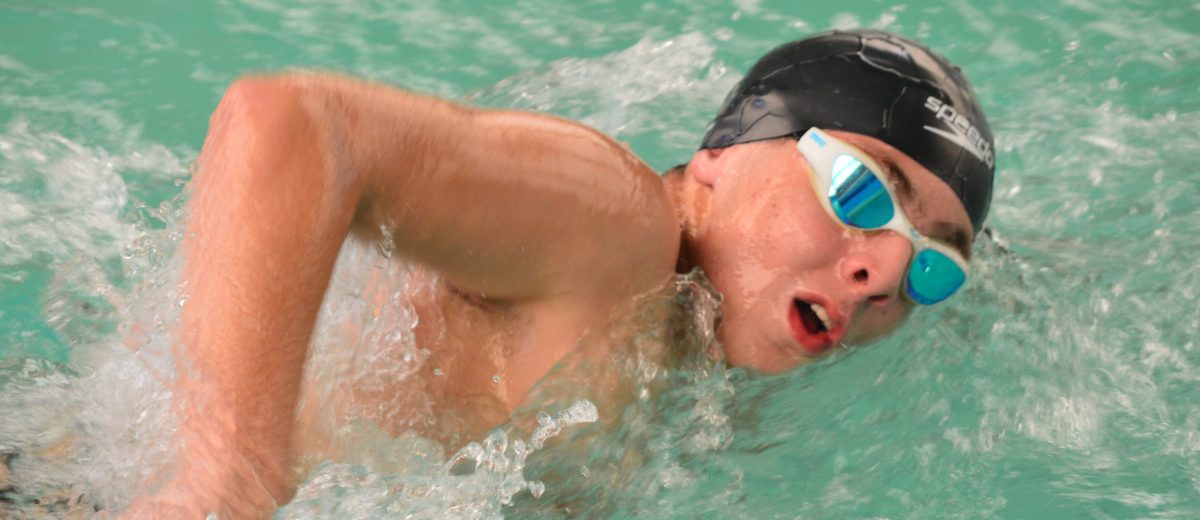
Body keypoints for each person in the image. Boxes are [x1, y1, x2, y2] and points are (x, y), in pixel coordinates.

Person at [124, 28, 995, 518]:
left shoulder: (697, 353)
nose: (883, 273)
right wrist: (228, 476)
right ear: (723, 155)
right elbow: (292, 126)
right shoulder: (616, 225)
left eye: (932, 268)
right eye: (860, 190)